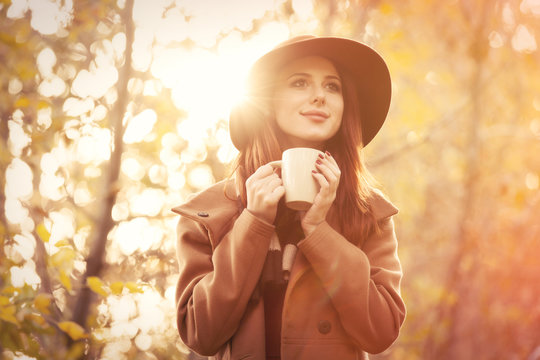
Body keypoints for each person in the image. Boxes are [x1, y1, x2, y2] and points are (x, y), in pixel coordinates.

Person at [172, 35, 406, 360]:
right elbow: (201, 333)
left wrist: (319, 231)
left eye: (332, 87)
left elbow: (380, 331)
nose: (319, 97)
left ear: (344, 106)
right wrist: (253, 223)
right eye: (300, 83)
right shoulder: (208, 213)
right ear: (268, 101)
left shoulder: (368, 212)